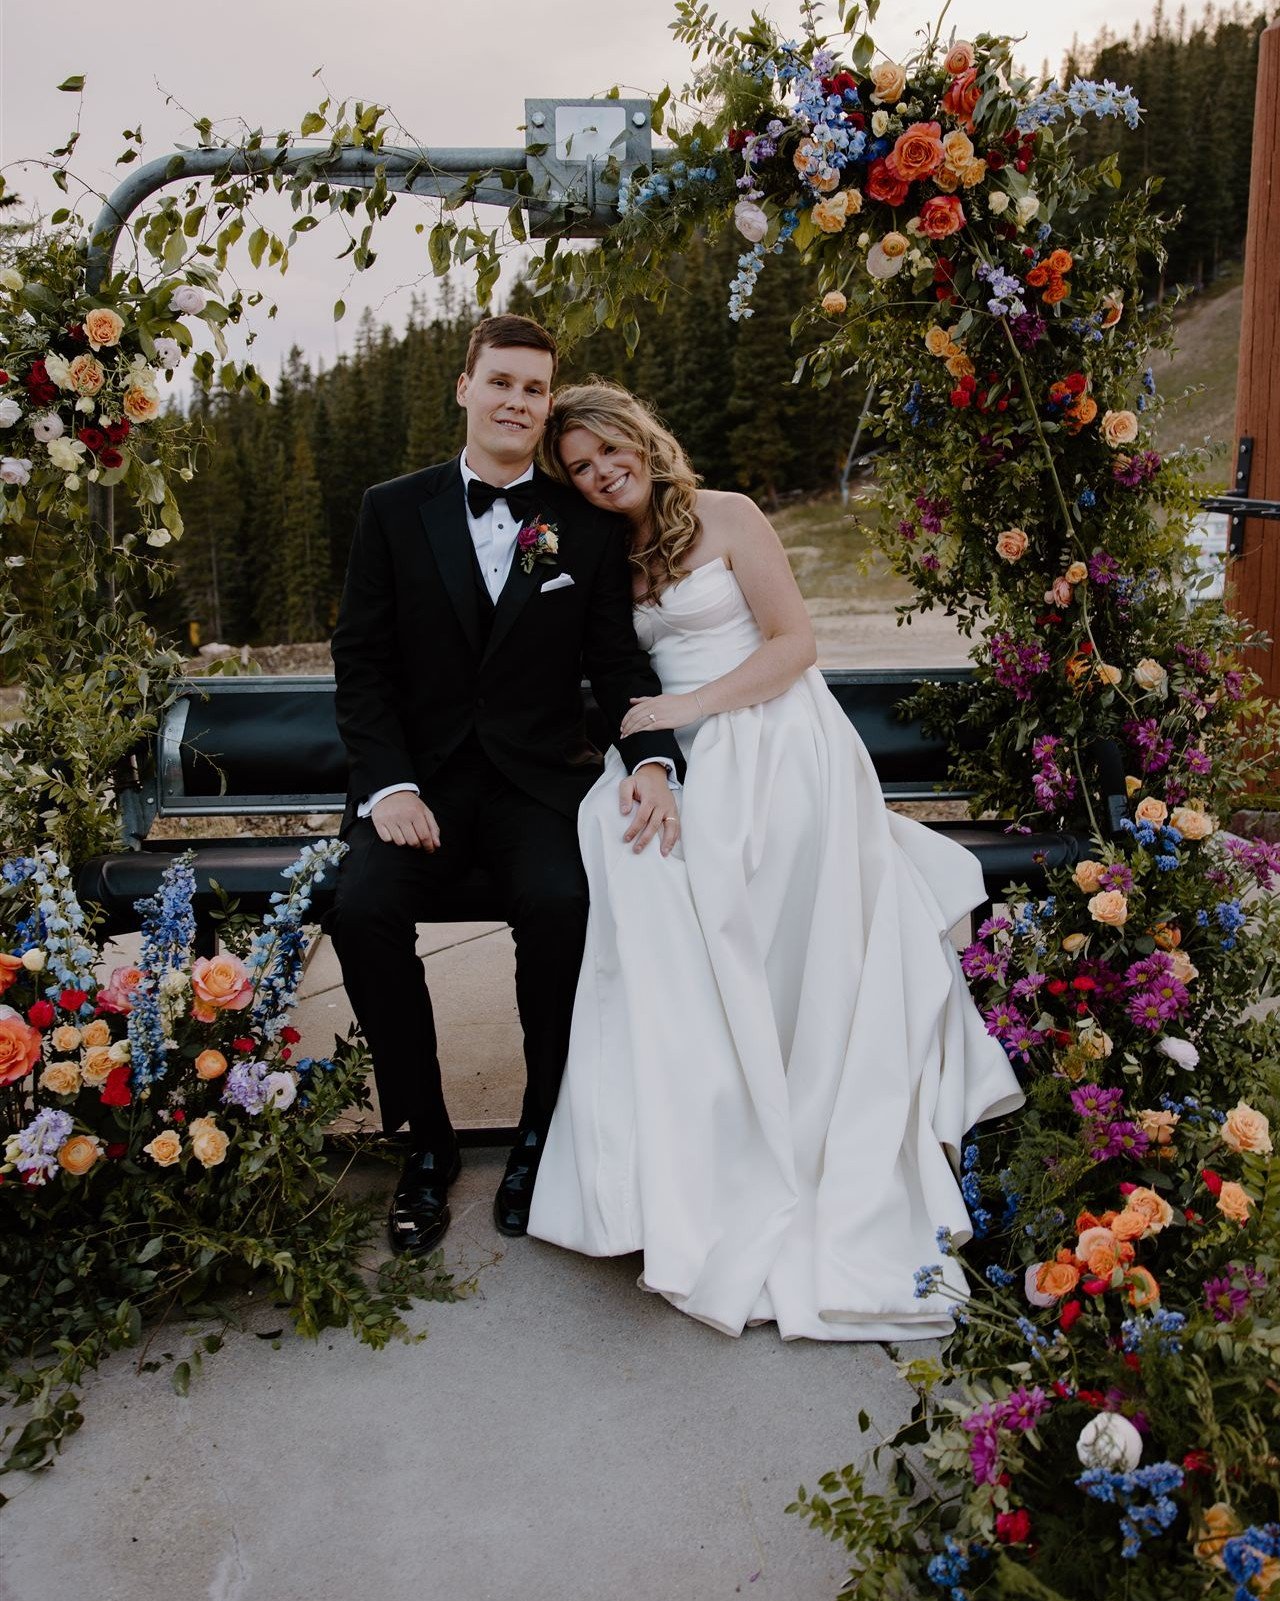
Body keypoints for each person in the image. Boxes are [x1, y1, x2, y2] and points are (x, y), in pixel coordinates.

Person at [527, 382, 1025, 1341]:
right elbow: (613, 670)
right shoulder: (596, 551)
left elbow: (795, 644)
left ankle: (789, 1109)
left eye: (609, 452)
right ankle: (685, 1151)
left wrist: (686, 710)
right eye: (581, 469)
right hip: (674, 749)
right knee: (633, 859)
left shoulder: (727, 515)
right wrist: (654, 745)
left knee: (727, 861)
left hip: (775, 730)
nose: (601, 474)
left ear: (643, 436)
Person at [329, 321, 684, 1256]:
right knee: (361, 909)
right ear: (465, 388)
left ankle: (541, 1133)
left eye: (535, 388)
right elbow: (361, 667)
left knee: (564, 902)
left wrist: (653, 758)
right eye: (502, 382)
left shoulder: (587, 528)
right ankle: (428, 1142)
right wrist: (390, 786)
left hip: (535, 788)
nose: (518, 402)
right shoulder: (391, 511)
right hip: (421, 790)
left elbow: (615, 665)